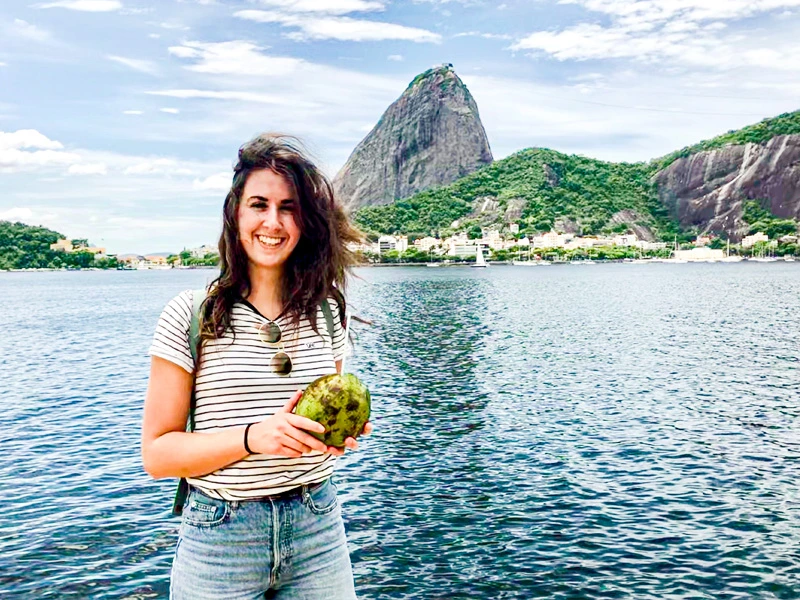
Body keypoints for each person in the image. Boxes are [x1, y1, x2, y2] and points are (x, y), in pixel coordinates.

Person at [141, 133, 371, 599]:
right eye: (259, 204)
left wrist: (339, 437)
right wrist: (252, 438)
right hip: (221, 534)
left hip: (317, 524)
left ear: (306, 221)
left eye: (288, 207)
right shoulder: (191, 314)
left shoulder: (327, 311)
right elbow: (158, 456)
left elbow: (323, 429)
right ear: (236, 214)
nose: (273, 221)